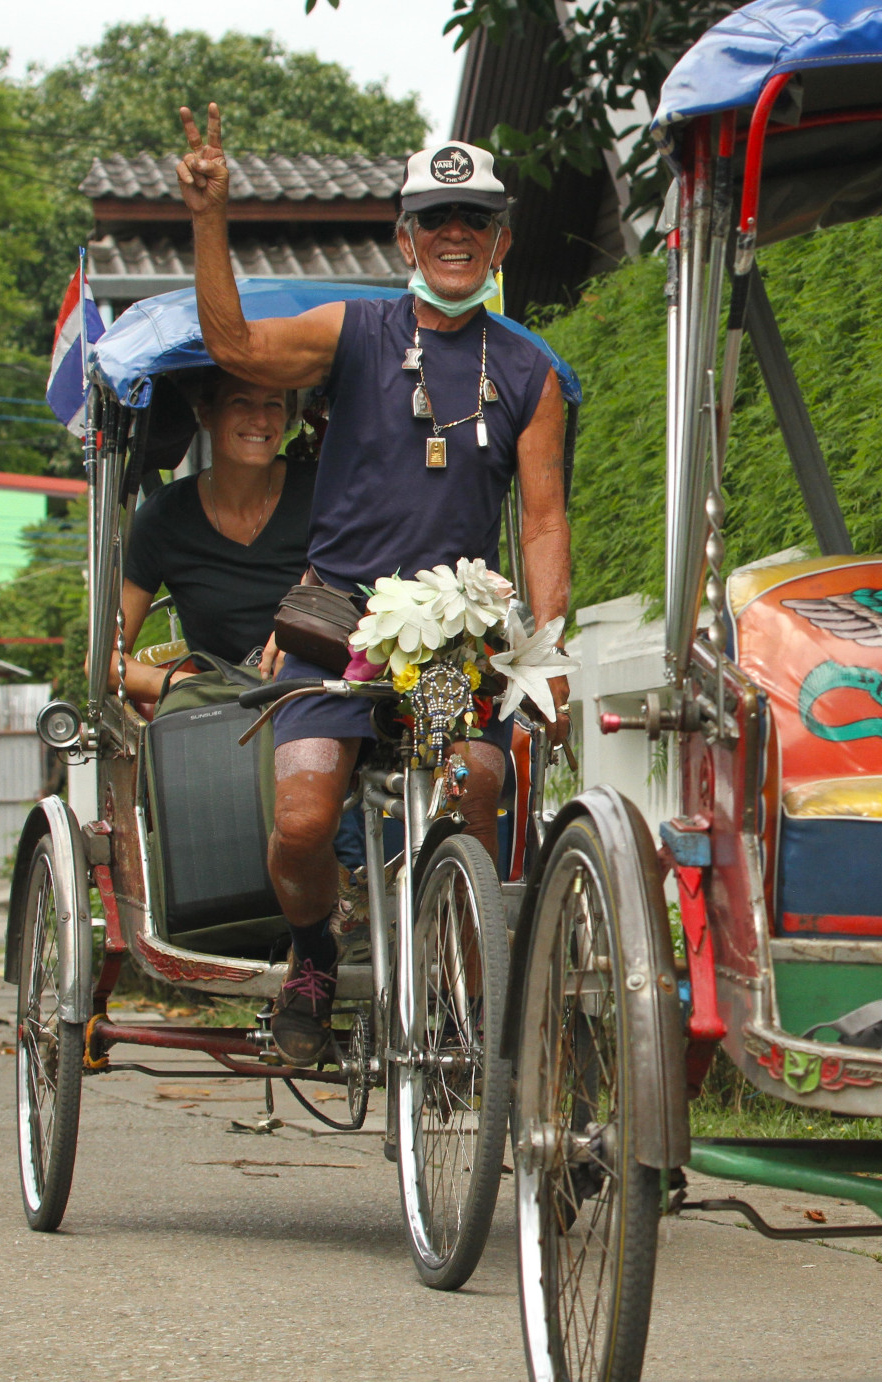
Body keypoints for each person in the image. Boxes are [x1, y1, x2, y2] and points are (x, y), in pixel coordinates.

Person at [175, 105, 571, 1067]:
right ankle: (315, 951)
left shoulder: (529, 370)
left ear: (499, 239)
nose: (453, 236)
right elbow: (235, 353)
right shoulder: (352, 330)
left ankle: (459, 1000)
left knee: (473, 784)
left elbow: (545, 521)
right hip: (336, 628)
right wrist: (210, 216)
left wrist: (548, 656)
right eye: (434, 218)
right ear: (403, 236)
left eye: (472, 219)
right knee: (306, 818)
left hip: (448, 644)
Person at [110, 369, 313, 704]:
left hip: (315, 695)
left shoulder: (323, 496)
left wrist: (305, 630)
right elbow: (104, 663)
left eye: (273, 405)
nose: (260, 420)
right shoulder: (163, 518)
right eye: (241, 401)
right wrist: (199, 688)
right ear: (207, 413)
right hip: (219, 715)